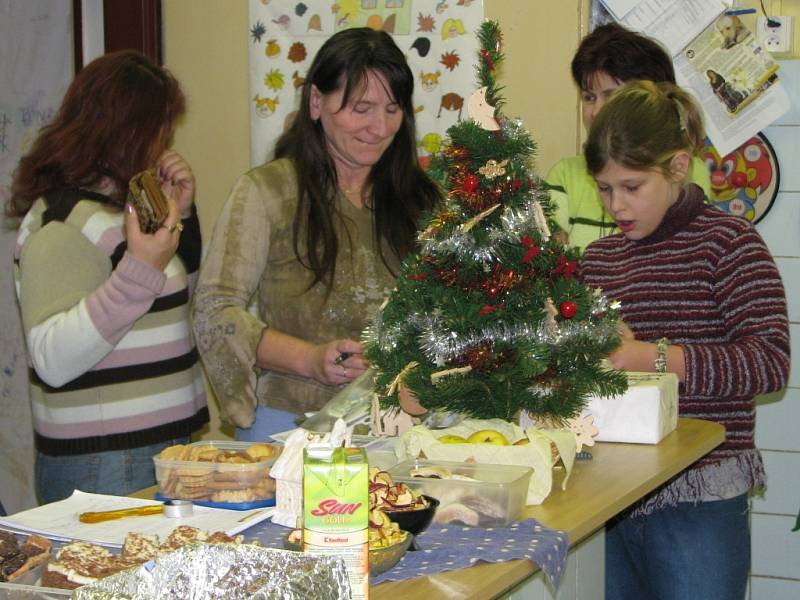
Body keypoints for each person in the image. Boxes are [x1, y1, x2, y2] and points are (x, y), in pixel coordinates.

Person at [579, 80, 790, 600]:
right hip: (610, 492)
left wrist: (651, 357)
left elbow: (769, 364)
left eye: (632, 187)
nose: (617, 206)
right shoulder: (599, 259)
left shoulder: (731, 244)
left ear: (677, 167)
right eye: (605, 189)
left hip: (702, 494)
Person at [192, 28, 442, 439]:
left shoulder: (423, 200)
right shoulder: (268, 192)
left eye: (392, 109)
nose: (378, 128)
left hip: (401, 430)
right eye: (361, 109)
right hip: (291, 428)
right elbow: (215, 311)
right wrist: (311, 360)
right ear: (315, 103)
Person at [8, 50, 209, 504]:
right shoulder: (61, 223)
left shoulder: (118, 209)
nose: (165, 143)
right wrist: (140, 269)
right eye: (160, 130)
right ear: (128, 132)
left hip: (157, 451)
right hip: (107, 464)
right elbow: (52, 358)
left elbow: (170, 311)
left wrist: (184, 217)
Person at [546, 22, 711, 251]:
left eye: (611, 96)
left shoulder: (689, 171)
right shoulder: (564, 174)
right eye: (589, 97)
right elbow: (550, 260)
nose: (595, 111)